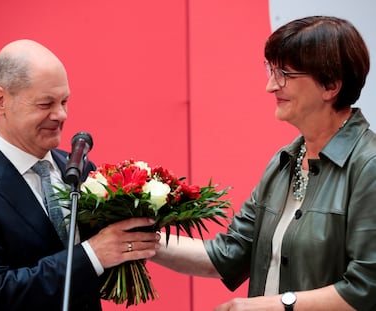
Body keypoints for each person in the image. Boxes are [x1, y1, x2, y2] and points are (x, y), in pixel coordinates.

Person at [151, 16, 376, 311]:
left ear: (330, 85)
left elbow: (367, 286)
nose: (271, 86)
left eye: (285, 73)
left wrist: (275, 305)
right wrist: (142, 241)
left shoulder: (368, 165)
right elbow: (230, 254)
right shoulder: (285, 161)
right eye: (271, 70)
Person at [0, 39, 160, 311]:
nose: (61, 115)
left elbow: (106, 268)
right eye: (45, 104)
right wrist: (92, 254)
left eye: (64, 101)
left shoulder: (80, 169)